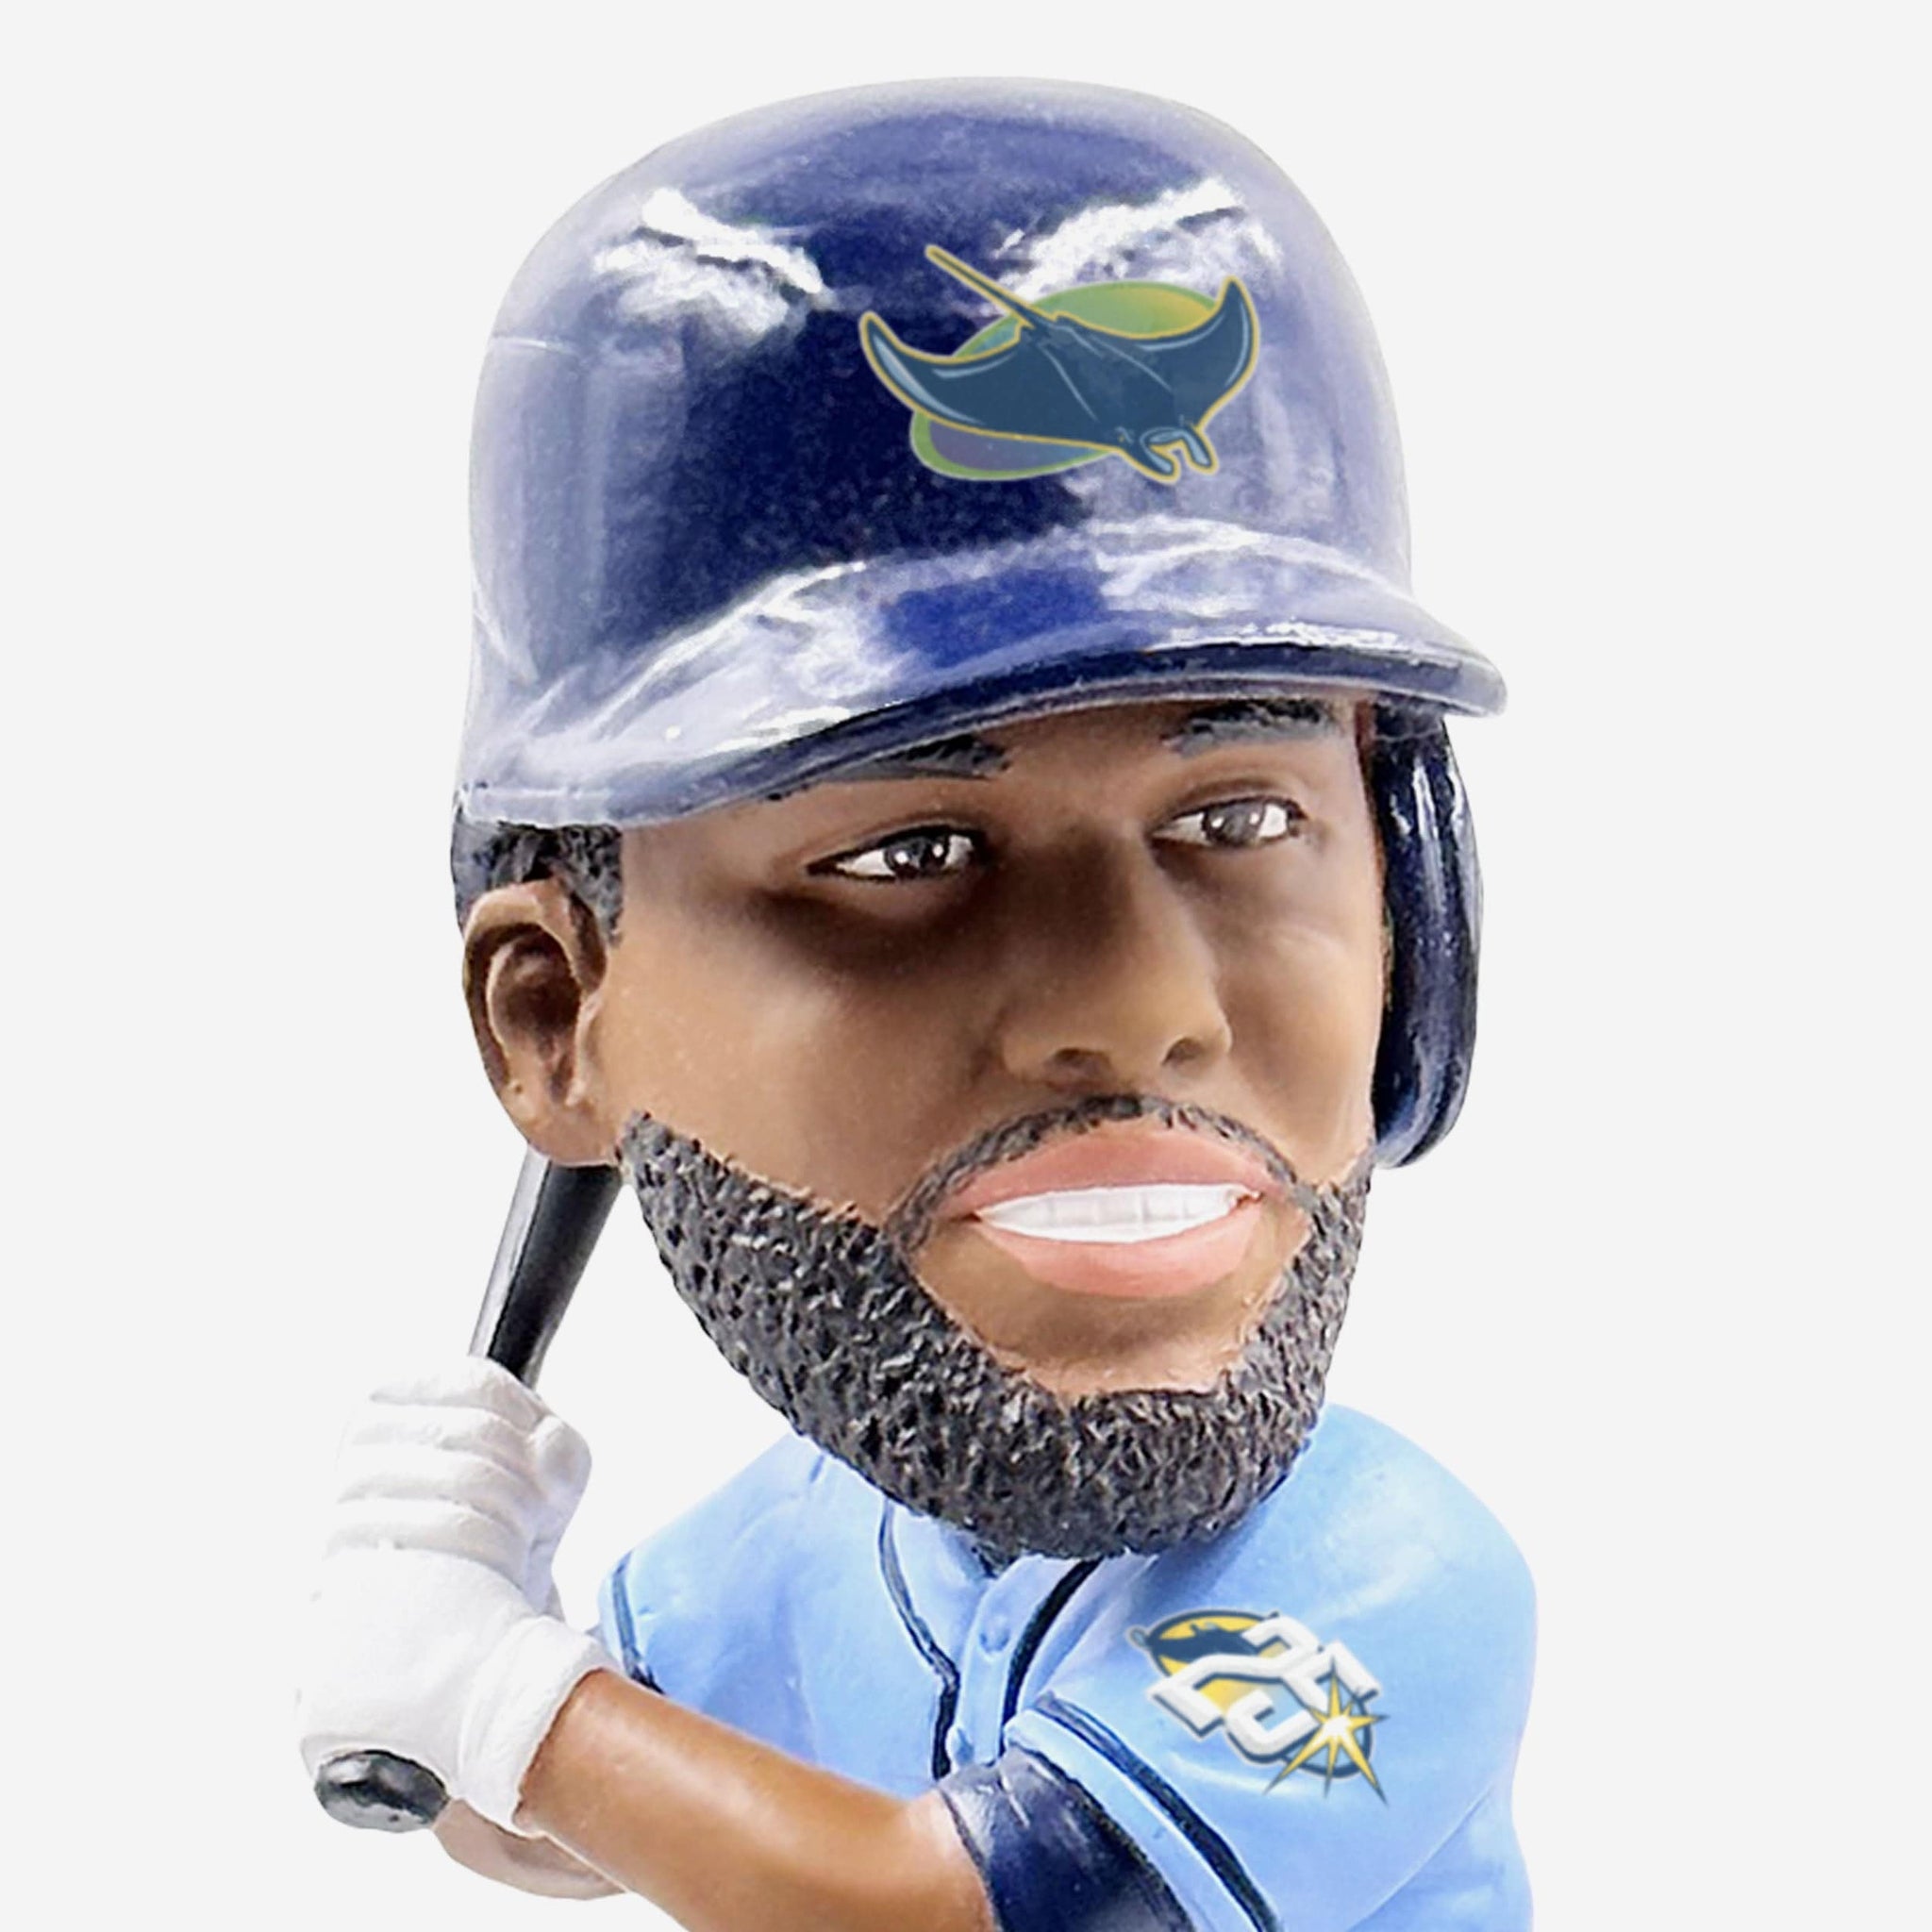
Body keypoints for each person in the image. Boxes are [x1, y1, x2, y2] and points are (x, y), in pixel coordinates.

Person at [298, 80, 1535, 1932]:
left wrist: (505, 1702)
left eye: (1240, 821)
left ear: (1412, 917)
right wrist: (451, 1625)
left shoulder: (1388, 1572)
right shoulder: (796, 1548)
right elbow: (586, 1829)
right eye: (909, 855)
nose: (1134, 1006)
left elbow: (936, 1911)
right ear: (557, 1017)